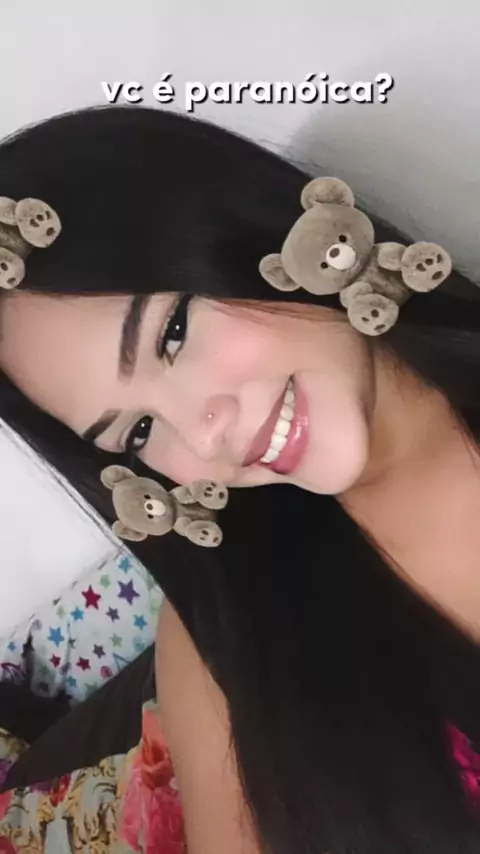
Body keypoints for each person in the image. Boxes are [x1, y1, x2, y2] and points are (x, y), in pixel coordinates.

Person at [0, 104, 479, 854]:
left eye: (172, 334)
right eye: (139, 433)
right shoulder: (221, 646)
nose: (203, 434)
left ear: (251, 226)